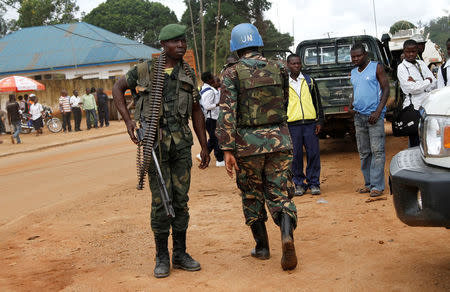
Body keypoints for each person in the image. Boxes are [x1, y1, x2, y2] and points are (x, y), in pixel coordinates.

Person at [112, 23, 210, 278]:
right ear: (163, 45)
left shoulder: (188, 73)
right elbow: (117, 89)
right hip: (154, 146)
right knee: (160, 203)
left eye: (183, 41)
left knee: (180, 201)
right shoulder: (144, 71)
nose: (181, 46)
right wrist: (128, 121)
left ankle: (180, 253)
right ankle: (162, 256)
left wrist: (205, 144)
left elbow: (197, 110)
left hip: (180, 146)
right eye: (175, 42)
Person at [216, 23, 298, 271]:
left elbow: (227, 112)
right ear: (259, 42)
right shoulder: (280, 67)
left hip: (247, 146)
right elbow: (284, 100)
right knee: (280, 193)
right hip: (280, 139)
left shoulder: (231, 73)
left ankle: (262, 248)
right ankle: (287, 236)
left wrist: (227, 149)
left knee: (252, 194)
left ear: (235, 47)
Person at [349, 43, 390, 197]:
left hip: (374, 116)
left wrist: (378, 111)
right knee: (364, 152)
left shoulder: (376, 67)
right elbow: (355, 90)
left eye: (358, 55)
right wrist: (351, 105)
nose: (356, 59)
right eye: (353, 56)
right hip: (359, 116)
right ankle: (368, 183)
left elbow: (386, 89)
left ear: (365, 54)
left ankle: (377, 186)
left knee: (377, 151)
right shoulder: (353, 72)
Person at [286, 54, 324, 196]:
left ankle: (314, 183)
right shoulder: (285, 83)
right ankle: (299, 184)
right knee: (295, 156)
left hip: (309, 124)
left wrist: (319, 121)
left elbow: (317, 102)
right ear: (288, 65)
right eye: (293, 63)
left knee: (313, 154)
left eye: (298, 63)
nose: (296, 66)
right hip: (293, 125)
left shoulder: (309, 81)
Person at [397, 39, 437, 147]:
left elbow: (435, 82)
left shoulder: (421, 64)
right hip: (413, 108)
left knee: (429, 138)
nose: (411, 54)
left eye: (413, 51)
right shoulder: (402, 68)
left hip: (427, 105)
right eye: (408, 51)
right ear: (404, 52)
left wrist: (419, 83)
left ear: (417, 51)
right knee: (415, 140)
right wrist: (427, 81)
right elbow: (412, 89)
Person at [199, 72, 224, 166]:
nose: (214, 78)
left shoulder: (208, 88)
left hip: (213, 117)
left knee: (214, 138)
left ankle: (203, 155)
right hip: (211, 118)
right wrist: (218, 104)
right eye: (213, 77)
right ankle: (219, 160)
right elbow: (207, 106)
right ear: (209, 79)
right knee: (215, 139)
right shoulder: (209, 91)